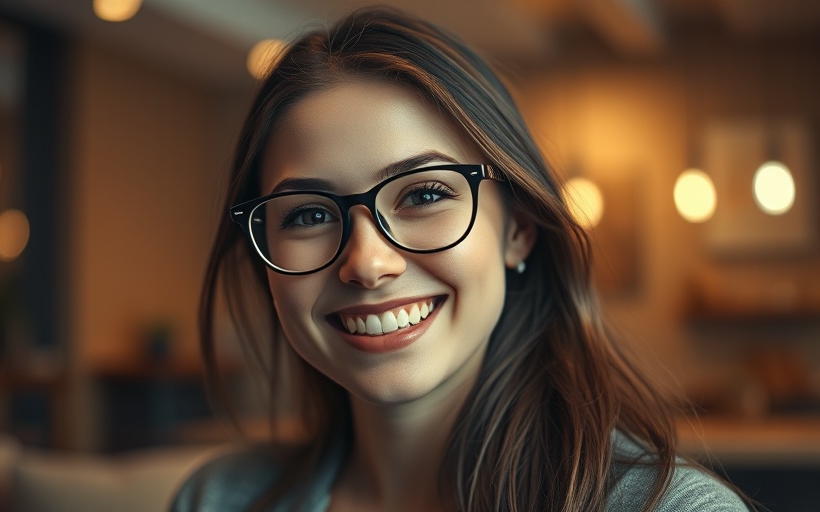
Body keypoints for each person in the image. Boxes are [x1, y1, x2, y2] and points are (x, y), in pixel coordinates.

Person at [172, 7, 750, 512]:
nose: (367, 264)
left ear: (518, 231)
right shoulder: (215, 500)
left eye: (424, 195)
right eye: (308, 215)